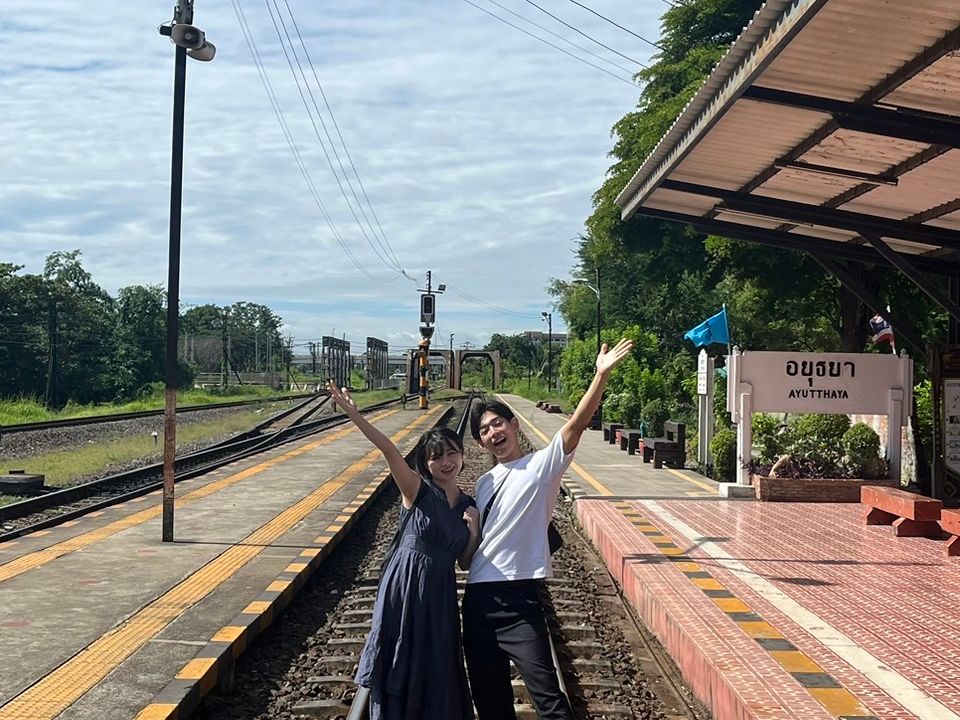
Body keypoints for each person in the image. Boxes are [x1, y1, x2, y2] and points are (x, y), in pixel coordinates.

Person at [463, 339, 634, 720]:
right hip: (478, 600)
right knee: (490, 702)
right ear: (481, 442)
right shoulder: (484, 483)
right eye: (485, 430)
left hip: (520, 598)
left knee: (548, 698)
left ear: (514, 425)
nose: (493, 432)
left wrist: (600, 375)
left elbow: (577, 424)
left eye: (498, 423)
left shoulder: (542, 466)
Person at [327, 380, 480, 720]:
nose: (446, 462)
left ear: (462, 455)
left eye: (452, 454)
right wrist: (354, 414)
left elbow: (465, 563)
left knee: (436, 660)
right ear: (426, 463)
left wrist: (474, 533)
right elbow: (389, 450)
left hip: (440, 592)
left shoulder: (468, 505)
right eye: (436, 457)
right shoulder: (417, 490)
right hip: (405, 584)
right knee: (399, 652)